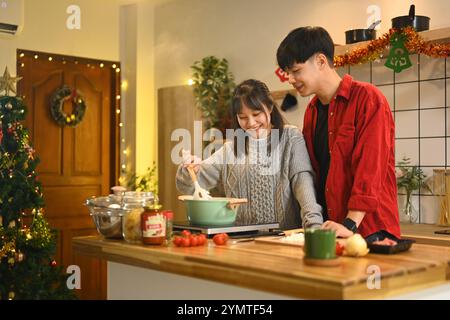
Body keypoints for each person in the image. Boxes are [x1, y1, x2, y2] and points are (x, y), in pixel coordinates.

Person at [276, 26, 400, 239]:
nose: (290, 78)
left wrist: (350, 223)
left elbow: (370, 168)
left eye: (296, 71)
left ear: (321, 61)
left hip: (370, 232)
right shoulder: (312, 111)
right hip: (332, 231)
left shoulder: (368, 98)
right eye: (288, 72)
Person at [176, 79, 323, 230]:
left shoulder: (291, 137)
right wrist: (191, 169)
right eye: (243, 117)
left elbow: (303, 184)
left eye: (256, 114)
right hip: (241, 241)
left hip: (284, 239)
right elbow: (189, 186)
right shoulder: (231, 149)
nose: (251, 123)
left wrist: (314, 225)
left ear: (270, 106)